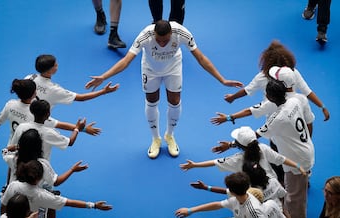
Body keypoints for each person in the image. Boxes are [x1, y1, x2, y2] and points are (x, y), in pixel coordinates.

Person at [84, 20, 243, 159]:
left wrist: (222, 79)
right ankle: (155, 139)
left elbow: (201, 58)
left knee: (174, 100)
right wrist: (104, 77)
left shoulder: (181, 32)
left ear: (171, 34)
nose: (161, 44)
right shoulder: (145, 36)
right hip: (150, 69)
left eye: (165, 40)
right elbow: (126, 61)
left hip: (173, 67)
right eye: (159, 41)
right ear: (154, 34)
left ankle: (170, 136)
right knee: (151, 100)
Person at [222, 40, 329, 121]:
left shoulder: (262, 77)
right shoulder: (293, 72)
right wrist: (322, 107)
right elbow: (307, 92)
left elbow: (247, 91)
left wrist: (232, 98)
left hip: (274, 118)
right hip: (294, 113)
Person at [256, 79, 315, 218]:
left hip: (296, 160)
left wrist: (230, 145)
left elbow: (255, 136)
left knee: (294, 200)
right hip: (305, 150)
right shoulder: (294, 101)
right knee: (296, 190)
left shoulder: (277, 119)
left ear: (269, 97)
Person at [0, 79, 101, 145]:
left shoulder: (10, 104)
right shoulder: (36, 113)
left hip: (12, 146)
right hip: (30, 151)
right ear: (34, 93)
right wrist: (83, 129)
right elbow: (61, 125)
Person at [180, 126, 306, 179]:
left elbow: (214, 162)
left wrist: (195, 165)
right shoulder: (263, 148)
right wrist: (298, 166)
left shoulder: (237, 159)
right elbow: (281, 159)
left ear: (239, 145)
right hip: (274, 186)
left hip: (256, 195)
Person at [0, 160, 112, 217]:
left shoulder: (13, 185)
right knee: (51, 206)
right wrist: (94, 205)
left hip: (16, 215)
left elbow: (3, 206)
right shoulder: (43, 195)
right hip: (33, 214)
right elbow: (69, 202)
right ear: (39, 178)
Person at [25, 54, 119, 109]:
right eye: (55, 65)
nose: (57, 65)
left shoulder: (29, 77)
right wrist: (103, 91)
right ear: (50, 70)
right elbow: (81, 98)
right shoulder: (54, 89)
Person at [10, 99, 85, 161]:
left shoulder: (21, 127)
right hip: (39, 172)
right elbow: (70, 142)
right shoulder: (49, 133)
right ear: (48, 114)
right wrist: (77, 128)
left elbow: (12, 150)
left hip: (20, 168)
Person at [174, 172, 267, 218]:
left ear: (232, 191)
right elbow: (218, 205)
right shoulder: (237, 199)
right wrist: (190, 210)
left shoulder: (254, 211)